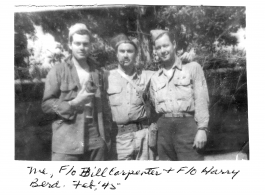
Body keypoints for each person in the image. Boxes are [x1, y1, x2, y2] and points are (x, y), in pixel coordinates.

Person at [42, 23, 108, 161]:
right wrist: (73, 103)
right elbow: (47, 105)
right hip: (67, 136)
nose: (82, 48)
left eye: (85, 44)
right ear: (70, 45)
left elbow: (104, 106)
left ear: (90, 46)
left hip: (94, 136)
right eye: (78, 43)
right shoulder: (58, 70)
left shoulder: (98, 72)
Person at [149, 29, 209, 161]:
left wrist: (202, 129)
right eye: (159, 47)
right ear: (155, 51)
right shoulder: (154, 78)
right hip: (163, 130)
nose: (163, 50)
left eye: (166, 45)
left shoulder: (192, 68)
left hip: (187, 127)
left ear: (174, 44)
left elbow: (201, 100)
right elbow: (154, 105)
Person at [105, 34, 156, 160]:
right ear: (116, 54)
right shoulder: (106, 78)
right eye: (122, 51)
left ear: (136, 54)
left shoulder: (148, 76)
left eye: (130, 51)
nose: (126, 55)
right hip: (120, 139)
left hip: (144, 136)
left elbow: (167, 72)